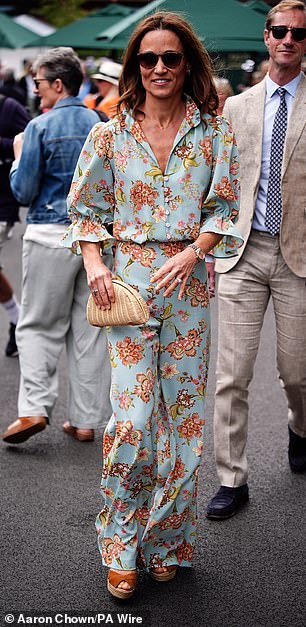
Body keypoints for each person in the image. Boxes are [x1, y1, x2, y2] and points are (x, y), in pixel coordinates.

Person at [62, 11, 242, 599]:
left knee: (185, 424)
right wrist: (95, 268)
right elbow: (86, 212)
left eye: (170, 58)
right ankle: (120, 545)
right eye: (148, 58)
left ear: (187, 62)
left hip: (188, 286)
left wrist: (194, 254)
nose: (159, 68)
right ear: (136, 65)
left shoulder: (212, 131)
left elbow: (224, 209)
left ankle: (167, 542)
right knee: (134, 422)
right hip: (129, 288)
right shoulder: (108, 133)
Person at [206, 0, 306, 522]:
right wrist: (206, 244)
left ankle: (300, 425)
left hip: (299, 259)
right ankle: (231, 478)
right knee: (232, 375)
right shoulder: (237, 108)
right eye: (279, 31)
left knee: (298, 374)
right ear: (266, 37)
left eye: (298, 32)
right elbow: (221, 183)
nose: (287, 39)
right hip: (241, 254)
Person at [1, 47, 112, 445]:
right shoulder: (102, 122)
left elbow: (25, 191)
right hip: (96, 240)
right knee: (88, 332)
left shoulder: (39, 127)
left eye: (39, 83)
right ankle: (84, 420)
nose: (37, 90)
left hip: (50, 234)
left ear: (58, 84)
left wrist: (17, 158)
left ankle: (33, 408)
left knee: (38, 327)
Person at [0, 94, 31, 357]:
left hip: (2, 203)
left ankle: (17, 318)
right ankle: (16, 317)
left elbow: (29, 143)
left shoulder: (9, 108)